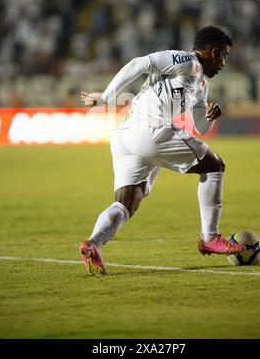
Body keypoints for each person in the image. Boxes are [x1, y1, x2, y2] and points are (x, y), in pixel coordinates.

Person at [80, 25, 245, 275]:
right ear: (213, 51)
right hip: (150, 130)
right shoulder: (186, 61)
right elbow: (139, 63)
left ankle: (93, 243)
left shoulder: (201, 85)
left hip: (127, 135)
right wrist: (106, 96)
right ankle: (210, 237)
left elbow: (200, 127)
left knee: (127, 203)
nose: (224, 63)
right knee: (215, 166)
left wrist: (211, 116)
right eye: (224, 56)